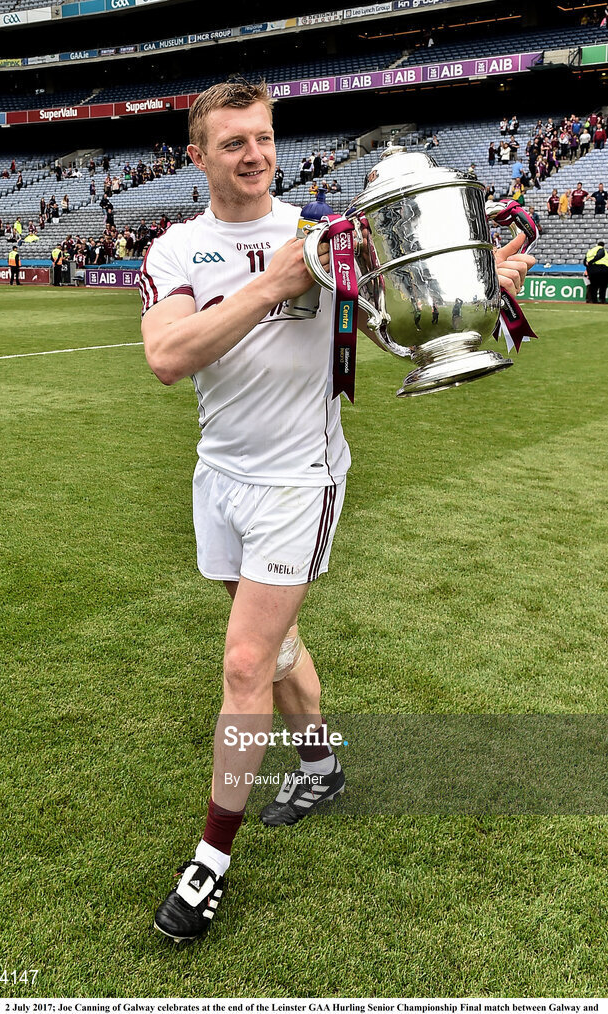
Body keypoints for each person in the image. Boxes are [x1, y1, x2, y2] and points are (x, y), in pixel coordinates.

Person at [139, 77, 535, 945]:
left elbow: (403, 332)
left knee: (244, 663)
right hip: (219, 476)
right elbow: (168, 355)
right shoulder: (176, 250)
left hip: (299, 479)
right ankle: (318, 767)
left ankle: (208, 865)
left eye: (265, 137)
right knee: (275, 644)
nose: (255, 154)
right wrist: (272, 284)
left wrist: (485, 292)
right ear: (198, 155)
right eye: (234, 141)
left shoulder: (326, 238)